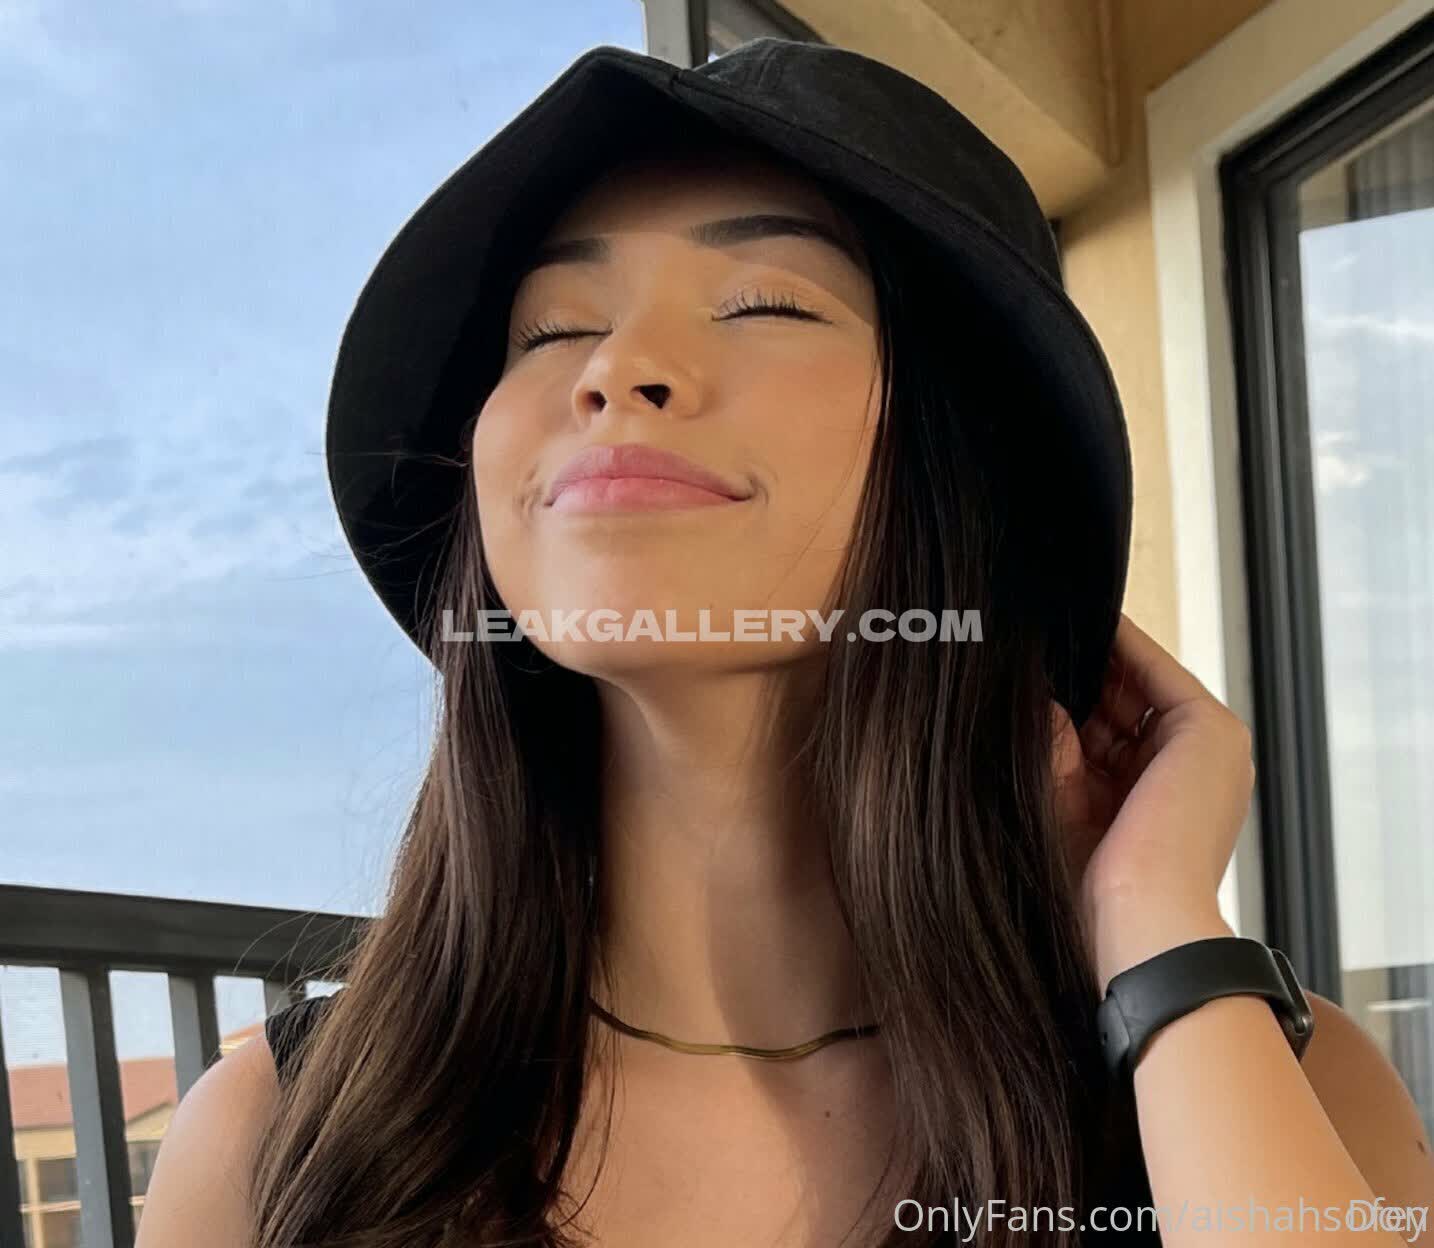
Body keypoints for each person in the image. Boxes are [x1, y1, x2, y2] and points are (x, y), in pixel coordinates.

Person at [134, 38, 1431, 1248]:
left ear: (960, 463)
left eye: (763, 303)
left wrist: (1152, 918)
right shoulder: (273, 1138)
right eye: (551, 330)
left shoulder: (1263, 1080)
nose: (615, 368)